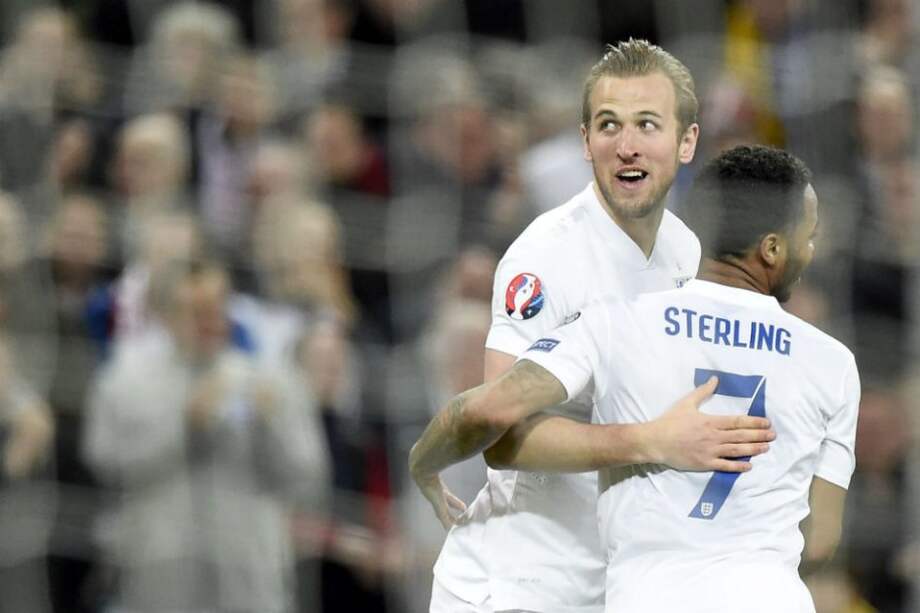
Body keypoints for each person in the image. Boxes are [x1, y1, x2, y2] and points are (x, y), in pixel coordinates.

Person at [411, 39, 775, 613]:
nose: (627, 146)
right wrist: (651, 442)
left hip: (615, 584)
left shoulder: (686, 250)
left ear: (686, 143)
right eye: (609, 125)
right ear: (585, 141)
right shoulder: (543, 259)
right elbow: (500, 438)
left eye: (647, 125)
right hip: (515, 586)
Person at [426, 145, 859, 612]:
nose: (812, 251)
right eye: (808, 237)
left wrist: (423, 461)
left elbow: (490, 415)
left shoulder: (617, 322)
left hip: (650, 595)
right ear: (772, 249)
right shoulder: (833, 364)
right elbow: (820, 542)